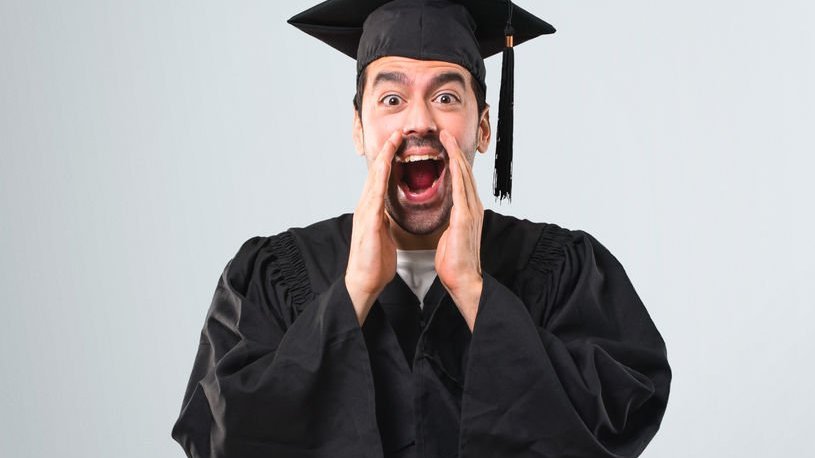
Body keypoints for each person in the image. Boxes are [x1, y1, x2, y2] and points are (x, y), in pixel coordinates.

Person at [171, 1, 672, 457]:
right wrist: (352, 294)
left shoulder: (563, 270)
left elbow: (616, 426)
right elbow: (221, 438)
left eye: (448, 97)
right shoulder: (276, 275)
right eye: (391, 99)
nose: (420, 121)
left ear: (483, 127)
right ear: (358, 127)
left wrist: (475, 294)